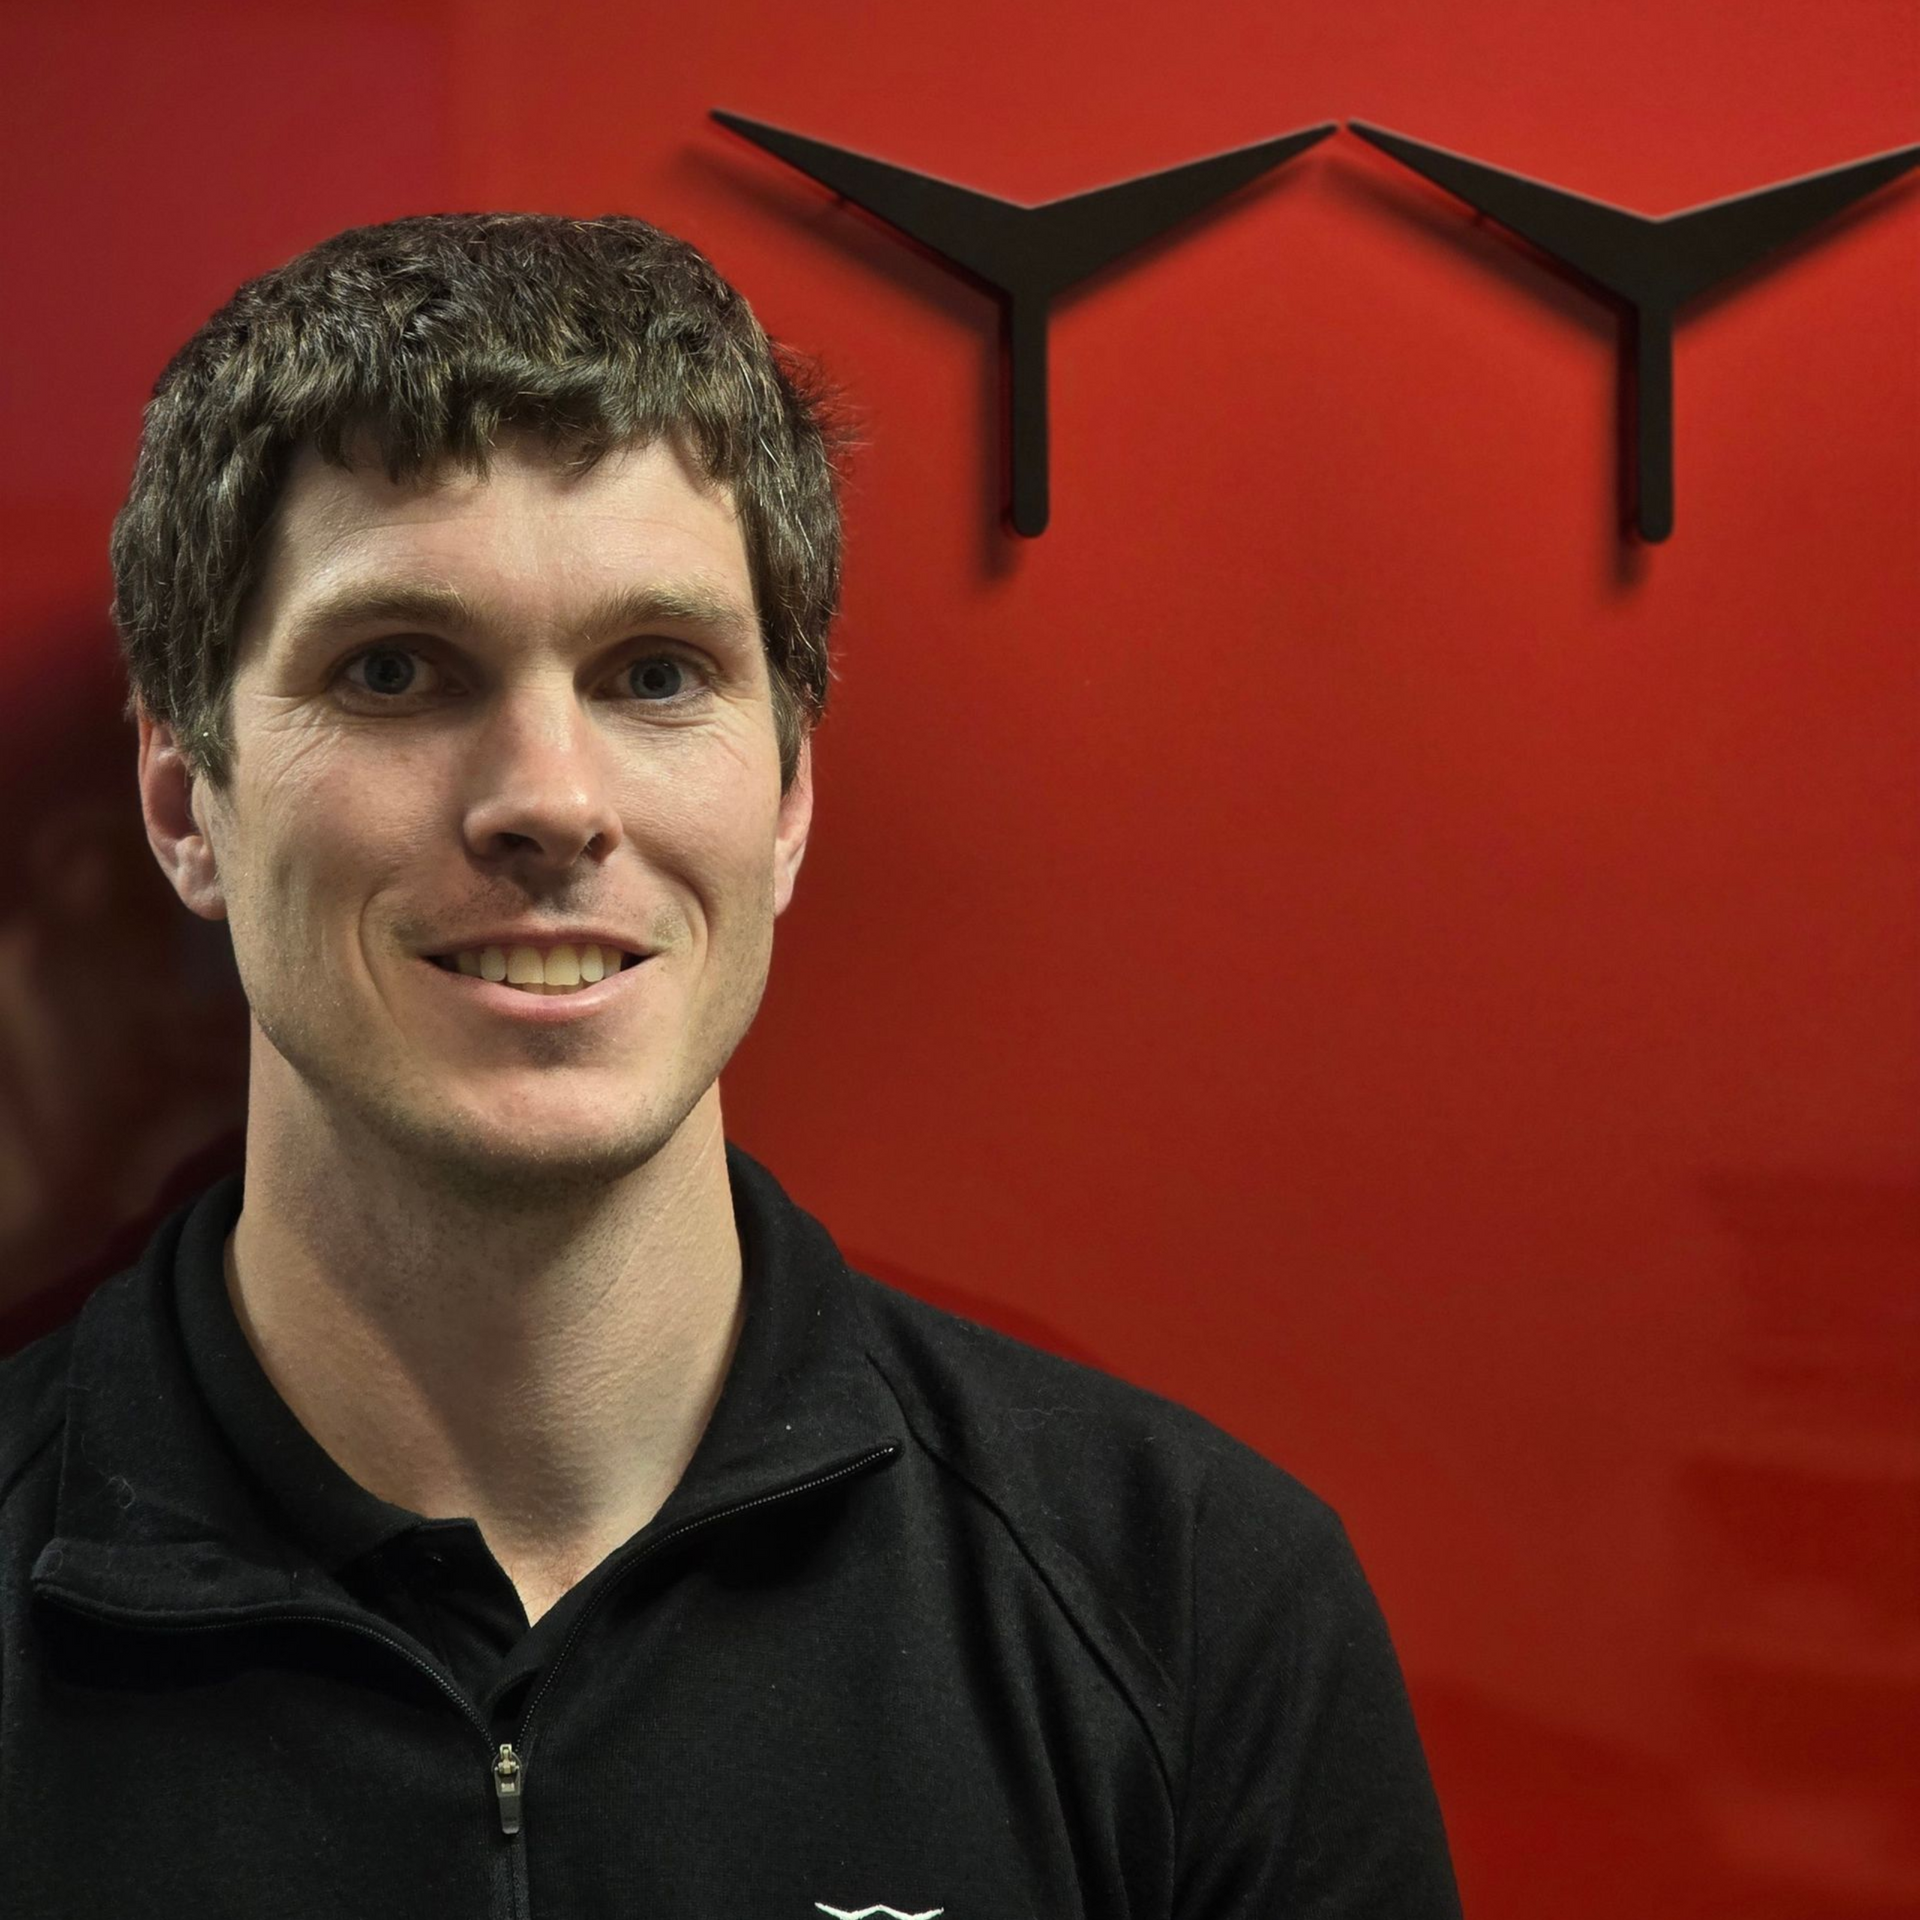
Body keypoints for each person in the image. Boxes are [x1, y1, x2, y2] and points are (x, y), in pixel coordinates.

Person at [0, 212, 1462, 1916]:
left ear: (785, 803)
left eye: (655, 673)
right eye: (396, 669)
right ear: (187, 803)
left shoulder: (1198, 1612)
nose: (550, 799)